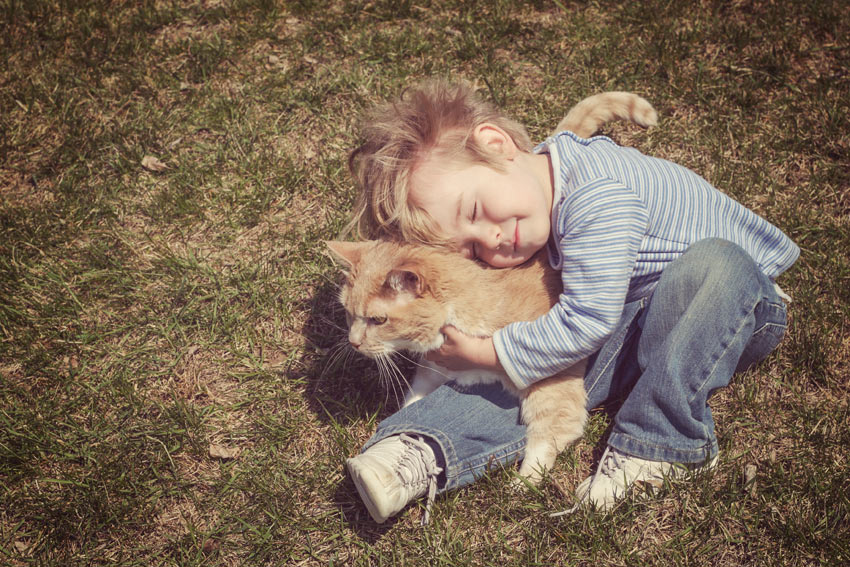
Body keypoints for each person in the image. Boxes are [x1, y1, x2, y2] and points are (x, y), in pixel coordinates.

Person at [342, 80, 799, 524]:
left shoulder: (597, 197)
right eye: (473, 249)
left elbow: (587, 320)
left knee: (710, 266)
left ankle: (660, 443)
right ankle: (424, 442)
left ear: (498, 144)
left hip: (728, 311)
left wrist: (486, 352)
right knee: (542, 363)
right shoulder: (537, 176)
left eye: (476, 213)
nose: (493, 240)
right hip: (633, 309)